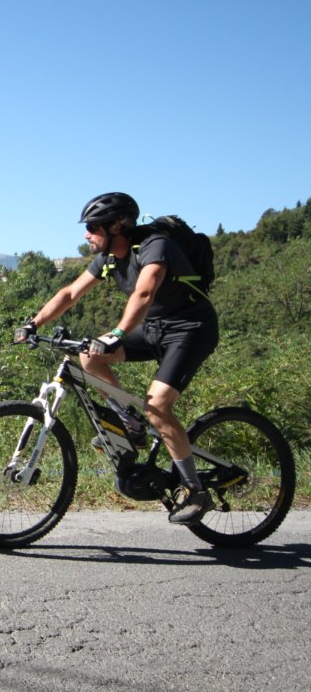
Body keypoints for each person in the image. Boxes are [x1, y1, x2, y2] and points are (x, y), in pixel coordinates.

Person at [17, 192, 220, 524]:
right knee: (90, 359)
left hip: (190, 329)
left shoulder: (155, 246)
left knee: (158, 407)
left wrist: (117, 334)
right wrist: (33, 323)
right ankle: (130, 425)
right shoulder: (109, 257)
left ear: (118, 227)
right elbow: (70, 293)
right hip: (154, 328)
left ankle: (195, 489)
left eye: (94, 227)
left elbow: (145, 292)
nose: (87, 234)